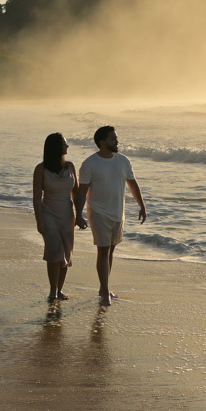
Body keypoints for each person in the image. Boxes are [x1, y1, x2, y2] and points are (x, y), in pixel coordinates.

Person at [76, 126, 147, 306]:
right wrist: (78, 214)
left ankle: (103, 288)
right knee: (103, 250)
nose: (117, 141)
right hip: (98, 212)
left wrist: (142, 205)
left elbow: (132, 184)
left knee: (111, 250)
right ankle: (105, 292)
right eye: (113, 139)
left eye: (116, 138)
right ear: (102, 142)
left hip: (118, 213)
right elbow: (82, 192)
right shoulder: (90, 164)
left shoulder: (123, 161)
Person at [32, 133, 79, 302]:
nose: (67, 147)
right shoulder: (41, 169)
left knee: (66, 254)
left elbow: (76, 193)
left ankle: (60, 290)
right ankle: (52, 291)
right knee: (55, 253)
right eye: (65, 144)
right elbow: (37, 197)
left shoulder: (71, 167)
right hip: (49, 214)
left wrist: (79, 215)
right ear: (56, 147)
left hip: (67, 215)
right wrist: (39, 221)